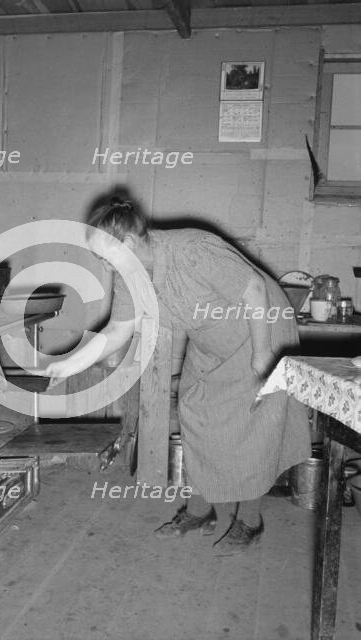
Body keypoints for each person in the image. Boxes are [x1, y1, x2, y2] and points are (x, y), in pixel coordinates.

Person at [45, 198, 311, 555]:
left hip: (261, 329)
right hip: (211, 338)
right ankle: (200, 512)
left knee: (253, 427)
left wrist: (263, 356)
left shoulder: (193, 250)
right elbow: (116, 332)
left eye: (106, 257)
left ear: (130, 244)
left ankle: (250, 521)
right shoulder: (130, 278)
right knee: (194, 412)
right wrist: (68, 364)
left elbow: (255, 291)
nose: (105, 268)